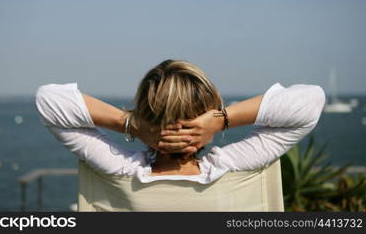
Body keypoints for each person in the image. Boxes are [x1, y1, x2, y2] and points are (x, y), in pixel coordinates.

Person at [35, 59, 325, 187]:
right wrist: (223, 119)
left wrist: (133, 125)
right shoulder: (230, 169)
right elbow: (311, 100)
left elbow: (49, 100)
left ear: (147, 115)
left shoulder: (122, 172)